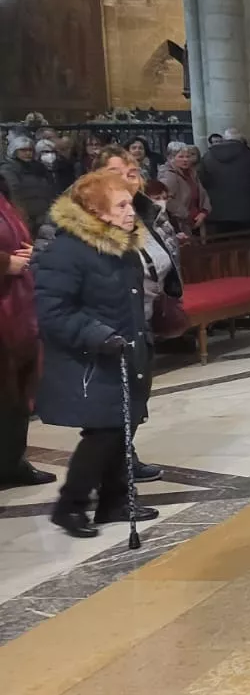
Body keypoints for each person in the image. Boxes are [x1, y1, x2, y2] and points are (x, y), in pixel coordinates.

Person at [37, 170, 160, 537]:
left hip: (123, 351)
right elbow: (51, 310)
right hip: (90, 358)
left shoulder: (120, 245)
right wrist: (97, 335)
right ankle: (69, 505)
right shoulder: (67, 251)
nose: (130, 212)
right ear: (96, 212)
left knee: (123, 425)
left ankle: (114, 501)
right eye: (121, 205)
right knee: (104, 432)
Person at [0, 183, 51, 487]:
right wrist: (6, 263)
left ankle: (12, 463)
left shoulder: (5, 198)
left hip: (17, 306)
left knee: (18, 394)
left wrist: (31, 252)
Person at [198, 128, 250, 236]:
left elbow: (201, 179)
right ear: (241, 140)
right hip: (245, 211)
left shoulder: (208, 155)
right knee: (246, 247)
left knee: (220, 248)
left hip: (216, 211)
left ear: (224, 139)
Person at [2, 136, 55, 234]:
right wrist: (21, 215)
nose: (27, 153)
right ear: (14, 151)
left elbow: (48, 189)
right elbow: (14, 191)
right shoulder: (8, 169)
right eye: (23, 150)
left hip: (42, 216)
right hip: (23, 217)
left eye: (30, 150)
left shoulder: (39, 168)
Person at [158, 143, 210, 235]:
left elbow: (202, 192)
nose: (185, 160)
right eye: (181, 157)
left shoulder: (191, 172)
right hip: (180, 224)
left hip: (197, 219)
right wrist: (187, 216)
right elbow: (166, 199)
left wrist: (204, 212)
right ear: (171, 158)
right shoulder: (168, 175)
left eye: (188, 156)